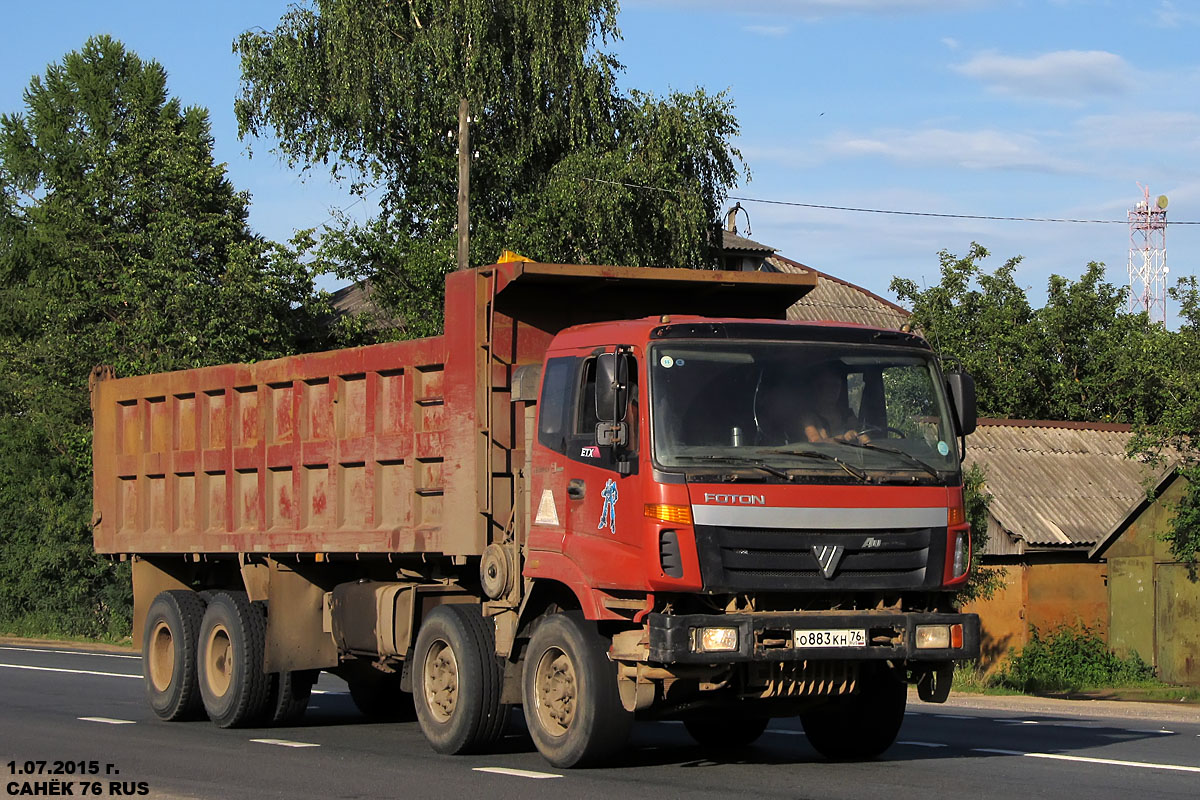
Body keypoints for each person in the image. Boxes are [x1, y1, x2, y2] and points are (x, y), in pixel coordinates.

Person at [756, 362, 869, 445]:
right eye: (827, 386)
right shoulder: (808, 417)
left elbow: (858, 434)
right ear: (817, 388)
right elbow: (816, 442)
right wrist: (843, 438)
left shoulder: (847, 414)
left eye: (836, 386)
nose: (832, 390)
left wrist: (866, 441)